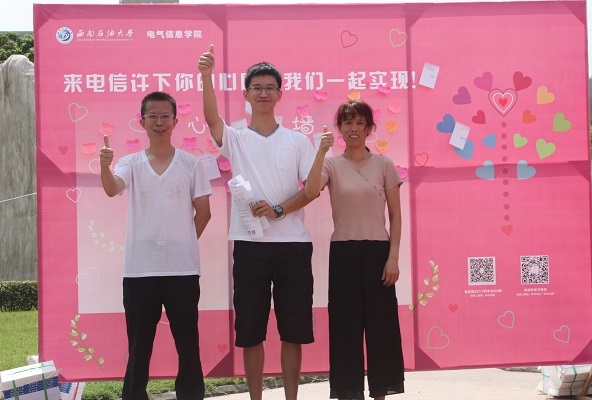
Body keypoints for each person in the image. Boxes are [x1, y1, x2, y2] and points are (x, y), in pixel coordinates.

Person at [198, 45, 316, 400]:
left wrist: (279, 210)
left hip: (293, 245)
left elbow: (311, 190)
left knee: (293, 330)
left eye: (270, 88)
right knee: (251, 331)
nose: (263, 93)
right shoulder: (236, 138)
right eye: (257, 88)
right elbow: (212, 120)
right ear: (246, 94)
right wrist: (206, 76)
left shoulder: (298, 140)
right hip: (250, 245)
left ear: (280, 94)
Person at [99, 91, 212, 400]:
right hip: (140, 271)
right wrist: (105, 166)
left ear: (175, 121)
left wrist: (182, 243)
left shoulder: (191, 164)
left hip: (182, 270)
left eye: (165, 116)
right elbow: (112, 189)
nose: (159, 122)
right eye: (153, 116)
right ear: (142, 122)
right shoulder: (130, 163)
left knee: (187, 343)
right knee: (139, 345)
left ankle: (190, 394)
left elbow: (204, 212)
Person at [304, 100, 405, 400]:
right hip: (344, 254)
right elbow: (310, 191)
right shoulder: (331, 165)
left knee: (381, 327)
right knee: (345, 328)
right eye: (348, 122)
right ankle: (349, 393)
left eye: (360, 123)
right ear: (339, 128)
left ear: (370, 128)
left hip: (378, 255)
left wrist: (393, 258)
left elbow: (396, 216)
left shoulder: (384, 165)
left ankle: (380, 392)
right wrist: (321, 152)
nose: (354, 128)